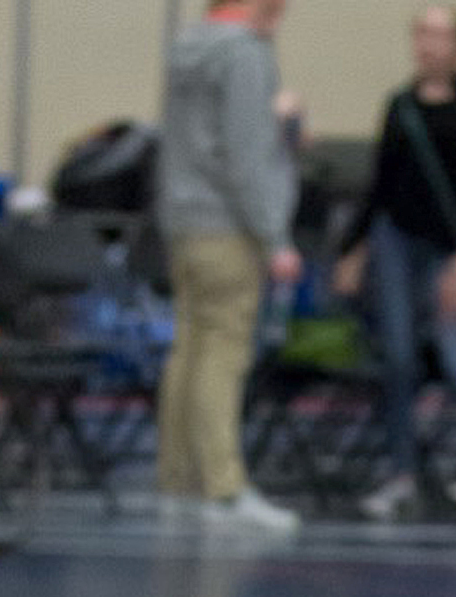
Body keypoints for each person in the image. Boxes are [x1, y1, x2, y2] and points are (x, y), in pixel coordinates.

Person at [336, 6, 456, 526]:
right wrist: (354, 247)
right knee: (398, 358)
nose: (429, 46)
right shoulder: (400, 104)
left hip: (449, 247)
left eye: (439, 36)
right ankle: (400, 472)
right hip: (396, 238)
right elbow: (380, 183)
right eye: (422, 35)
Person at [155, 0, 303, 539]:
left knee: (190, 349)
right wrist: (276, 237)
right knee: (224, 353)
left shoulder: (186, 49)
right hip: (229, 227)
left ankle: (178, 482)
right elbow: (247, 154)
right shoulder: (245, 56)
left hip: (185, 220)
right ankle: (224, 488)